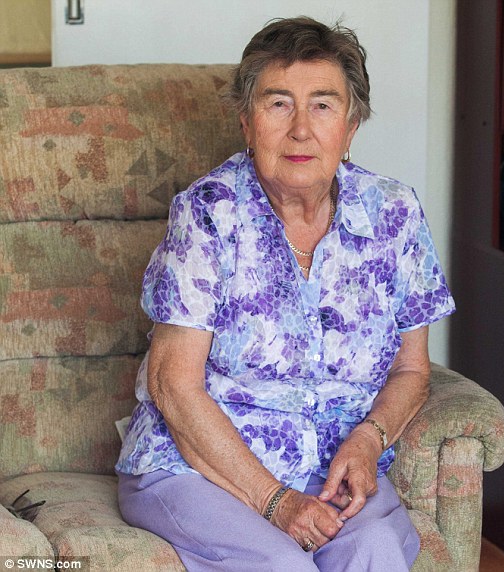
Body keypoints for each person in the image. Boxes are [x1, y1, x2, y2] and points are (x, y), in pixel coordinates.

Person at [116, 16, 455, 572]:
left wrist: (369, 441)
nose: (301, 129)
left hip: (330, 471)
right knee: (281, 566)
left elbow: (411, 370)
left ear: (350, 126)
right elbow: (172, 384)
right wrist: (274, 500)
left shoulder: (394, 213)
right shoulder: (208, 213)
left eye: (322, 105)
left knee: (376, 549)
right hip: (199, 470)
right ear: (247, 124)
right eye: (278, 104)